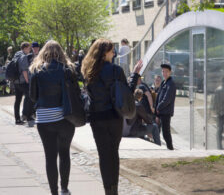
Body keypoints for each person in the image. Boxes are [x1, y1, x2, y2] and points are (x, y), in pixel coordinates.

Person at [81, 39, 142, 195]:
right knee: (113, 153)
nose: (114, 53)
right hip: (114, 117)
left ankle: (107, 189)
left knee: (103, 154)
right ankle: (113, 190)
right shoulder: (116, 70)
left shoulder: (89, 71)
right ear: (104, 53)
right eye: (111, 50)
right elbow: (127, 93)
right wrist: (135, 74)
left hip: (97, 118)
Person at [29, 40, 80, 195]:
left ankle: (54, 191)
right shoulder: (67, 70)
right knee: (64, 153)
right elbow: (76, 92)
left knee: (50, 157)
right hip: (65, 117)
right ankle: (64, 188)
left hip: (44, 119)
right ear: (61, 53)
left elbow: (32, 96)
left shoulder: (37, 71)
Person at [155, 63, 176, 150]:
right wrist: (156, 108)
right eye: (163, 71)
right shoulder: (164, 82)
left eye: (166, 72)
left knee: (166, 132)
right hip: (160, 111)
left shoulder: (171, 84)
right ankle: (164, 147)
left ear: (170, 72)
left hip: (165, 112)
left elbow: (167, 99)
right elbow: (159, 95)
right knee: (160, 131)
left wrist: (158, 108)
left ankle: (170, 148)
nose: (164, 73)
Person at [13, 42, 34, 125]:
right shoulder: (24, 56)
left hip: (15, 81)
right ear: (25, 48)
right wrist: (28, 81)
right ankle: (28, 116)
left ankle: (17, 119)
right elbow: (24, 70)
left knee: (17, 100)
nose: (30, 50)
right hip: (23, 81)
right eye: (29, 48)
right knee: (30, 96)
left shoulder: (16, 54)